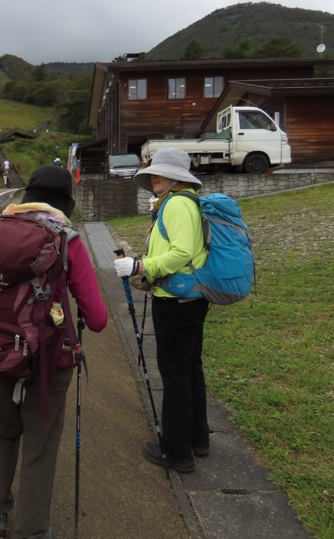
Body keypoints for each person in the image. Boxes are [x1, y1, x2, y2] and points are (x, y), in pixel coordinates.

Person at [0, 165, 107, 539]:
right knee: (39, 448)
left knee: (1, 432)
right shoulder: (66, 240)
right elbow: (99, 319)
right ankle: (31, 529)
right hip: (48, 362)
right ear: (65, 204)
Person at [113, 147, 209, 474]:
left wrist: (140, 264)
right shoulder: (182, 202)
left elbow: (181, 253)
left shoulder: (178, 204)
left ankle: (177, 452)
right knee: (190, 368)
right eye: (153, 170)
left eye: (162, 171)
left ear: (178, 176)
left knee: (175, 374)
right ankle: (197, 439)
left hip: (175, 302)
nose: (154, 175)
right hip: (191, 299)